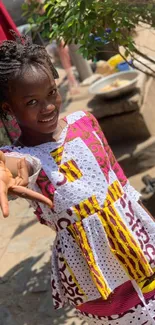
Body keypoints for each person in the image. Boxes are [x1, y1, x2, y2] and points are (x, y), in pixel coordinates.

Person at [0, 34, 155, 325]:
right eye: (32, 101)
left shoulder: (85, 121)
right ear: (9, 109)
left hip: (140, 246)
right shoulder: (23, 156)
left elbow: (121, 185)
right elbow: (10, 166)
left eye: (51, 92)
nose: (47, 107)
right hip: (96, 277)